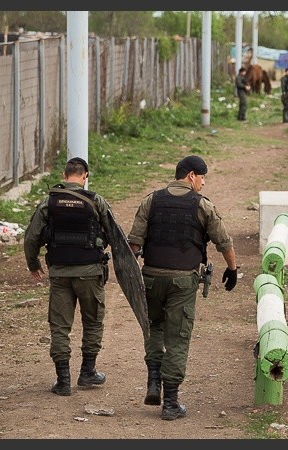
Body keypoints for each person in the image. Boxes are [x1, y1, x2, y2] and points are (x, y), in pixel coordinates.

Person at [128, 155, 239, 420]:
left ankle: (154, 380)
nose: (202, 183)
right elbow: (223, 241)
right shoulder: (202, 205)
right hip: (182, 281)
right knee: (177, 336)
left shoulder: (151, 200)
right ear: (191, 175)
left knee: (154, 326)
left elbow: (133, 245)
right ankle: (171, 403)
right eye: (202, 177)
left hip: (151, 277)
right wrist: (232, 270)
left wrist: (131, 277)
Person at [24, 157, 115, 397]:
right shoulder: (96, 201)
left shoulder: (49, 202)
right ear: (85, 177)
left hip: (60, 273)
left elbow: (32, 236)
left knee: (60, 327)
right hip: (90, 273)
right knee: (93, 321)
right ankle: (87, 373)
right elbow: (114, 234)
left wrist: (33, 264)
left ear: (65, 176)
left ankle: (63, 380)